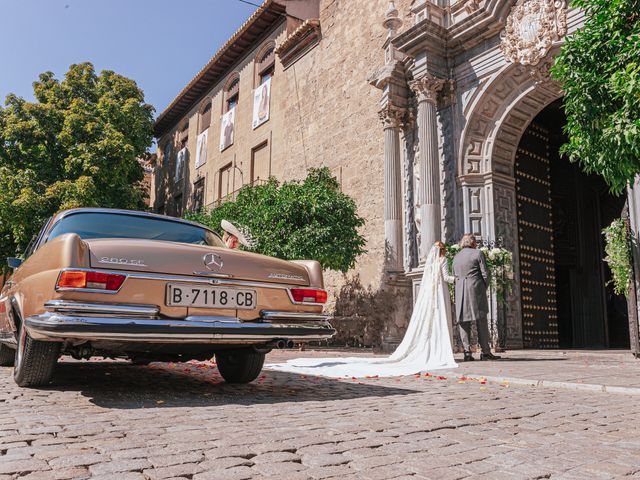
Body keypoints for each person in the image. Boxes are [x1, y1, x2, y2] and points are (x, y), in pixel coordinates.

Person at [266, 242, 457, 378]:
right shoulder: (442, 262)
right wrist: (460, 279)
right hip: (439, 294)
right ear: (442, 252)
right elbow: (447, 277)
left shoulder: (432, 265)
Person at [452, 234, 501, 361]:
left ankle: (467, 353)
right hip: (475, 289)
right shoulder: (478, 253)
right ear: (473, 243)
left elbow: (454, 275)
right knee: (481, 320)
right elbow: (485, 273)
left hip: (460, 291)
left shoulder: (456, 257)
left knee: (463, 322)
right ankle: (485, 352)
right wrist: (483, 288)